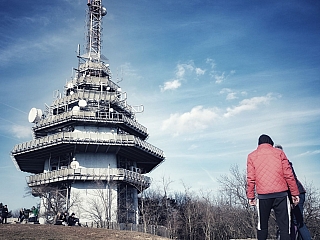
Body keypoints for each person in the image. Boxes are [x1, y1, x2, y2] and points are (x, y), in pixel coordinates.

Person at [246, 134, 300, 240]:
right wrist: (294, 193)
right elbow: (289, 175)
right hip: (281, 195)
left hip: (263, 196)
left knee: (262, 226)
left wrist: (251, 196)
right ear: (271, 143)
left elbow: (250, 178)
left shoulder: (251, 156)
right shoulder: (279, 153)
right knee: (285, 227)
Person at [275, 144, 312, 240]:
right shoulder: (281, 165)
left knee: (298, 222)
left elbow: (289, 181)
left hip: (297, 194)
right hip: (291, 195)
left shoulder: (286, 164)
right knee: (290, 222)